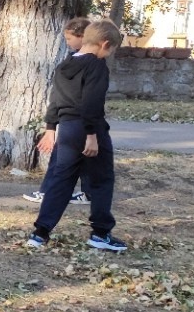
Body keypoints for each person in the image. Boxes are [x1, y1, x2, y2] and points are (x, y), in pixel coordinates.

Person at [26, 19, 126, 252]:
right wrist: (92, 135)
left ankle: (40, 233)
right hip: (90, 129)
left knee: (61, 180)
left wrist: (50, 129)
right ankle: (101, 234)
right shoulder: (96, 66)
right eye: (110, 50)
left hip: (67, 129)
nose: (108, 54)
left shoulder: (65, 65)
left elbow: (55, 101)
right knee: (101, 180)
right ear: (104, 44)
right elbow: (92, 102)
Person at [23, 16, 92, 206]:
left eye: (69, 39)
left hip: (73, 120)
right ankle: (89, 192)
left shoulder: (73, 65)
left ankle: (48, 192)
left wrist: (51, 126)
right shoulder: (91, 62)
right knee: (85, 156)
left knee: (61, 160)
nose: (67, 43)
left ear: (82, 37)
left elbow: (57, 97)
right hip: (83, 120)